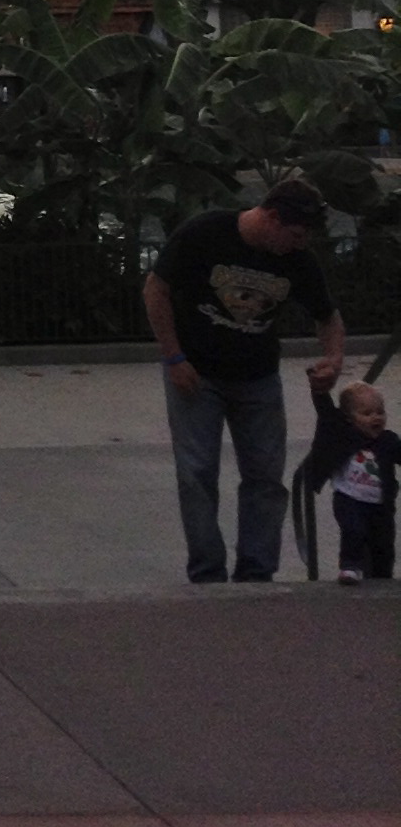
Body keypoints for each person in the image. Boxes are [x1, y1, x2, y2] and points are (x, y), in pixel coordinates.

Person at [144, 176, 345, 584]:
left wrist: (334, 358)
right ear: (271, 218)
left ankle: (256, 570)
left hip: (257, 377)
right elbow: (155, 289)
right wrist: (173, 356)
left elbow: (327, 315)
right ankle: (207, 571)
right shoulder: (206, 233)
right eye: (296, 234)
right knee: (197, 473)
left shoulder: (298, 260)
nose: (300, 244)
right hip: (197, 373)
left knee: (266, 477)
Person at [304, 373, 398, 582]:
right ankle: (350, 566)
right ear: (349, 418)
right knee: (353, 530)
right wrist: (319, 390)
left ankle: (382, 576)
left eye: (380, 412)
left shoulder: (388, 440)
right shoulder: (343, 435)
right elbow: (327, 413)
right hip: (349, 498)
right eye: (367, 413)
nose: (376, 417)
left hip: (380, 504)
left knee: (383, 542)